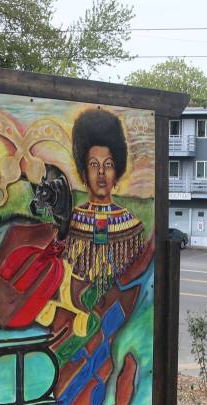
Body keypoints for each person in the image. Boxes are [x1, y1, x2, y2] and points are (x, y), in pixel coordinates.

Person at [66, 108, 146, 300]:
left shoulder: (132, 225)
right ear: (84, 174)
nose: (101, 172)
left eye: (108, 165)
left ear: (116, 173)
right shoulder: (70, 221)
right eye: (94, 165)